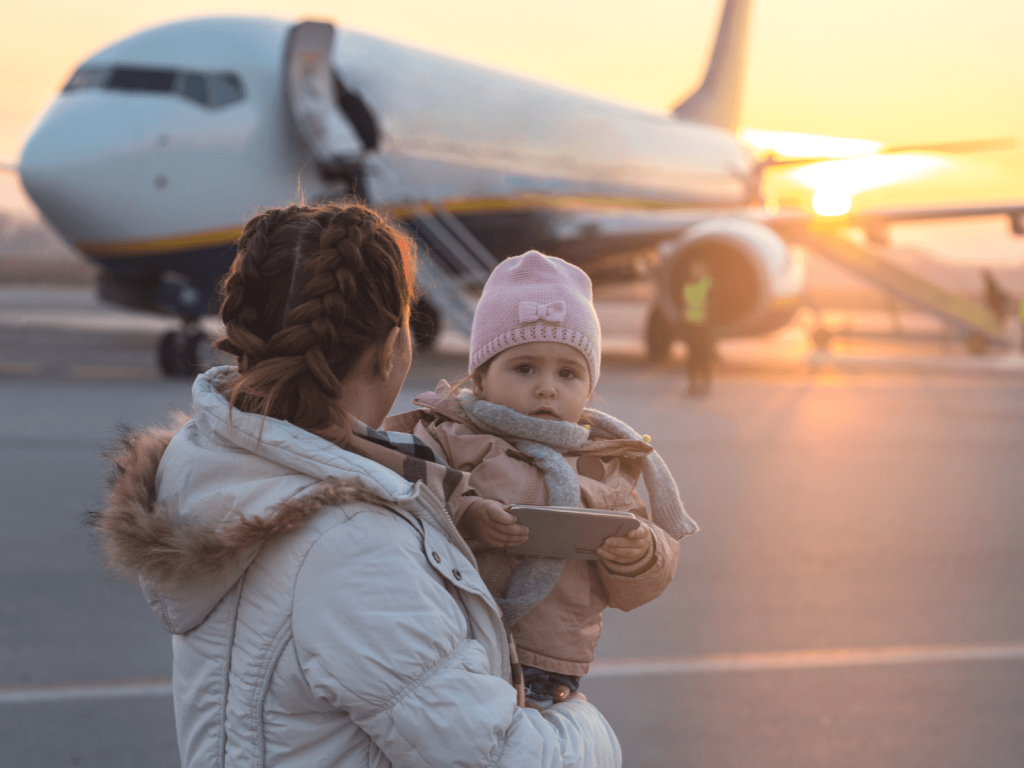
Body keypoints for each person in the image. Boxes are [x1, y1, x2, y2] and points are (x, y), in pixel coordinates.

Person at [88, 204, 622, 767]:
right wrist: (580, 718)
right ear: (393, 347)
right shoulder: (352, 546)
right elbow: (505, 759)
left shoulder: (218, 466)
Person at [386, 251, 699, 707]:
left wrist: (639, 554)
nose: (547, 387)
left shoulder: (602, 463)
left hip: (550, 667)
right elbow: (408, 488)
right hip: (456, 643)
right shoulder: (450, 435)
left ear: (589, 388)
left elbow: (638, 583)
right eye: (525, 368)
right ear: (482, 377)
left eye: (568, 373)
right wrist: (466, 511)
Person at [679, 259, 715, 397]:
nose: (696, 271)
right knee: (692, 356)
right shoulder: (687, 285)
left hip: (705, 326)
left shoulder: (707, 283)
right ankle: (693, 383)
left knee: (705, 355)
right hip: (690, 325)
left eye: (700, 268)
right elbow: (684, 304)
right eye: (694, 268)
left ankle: (705, 383)